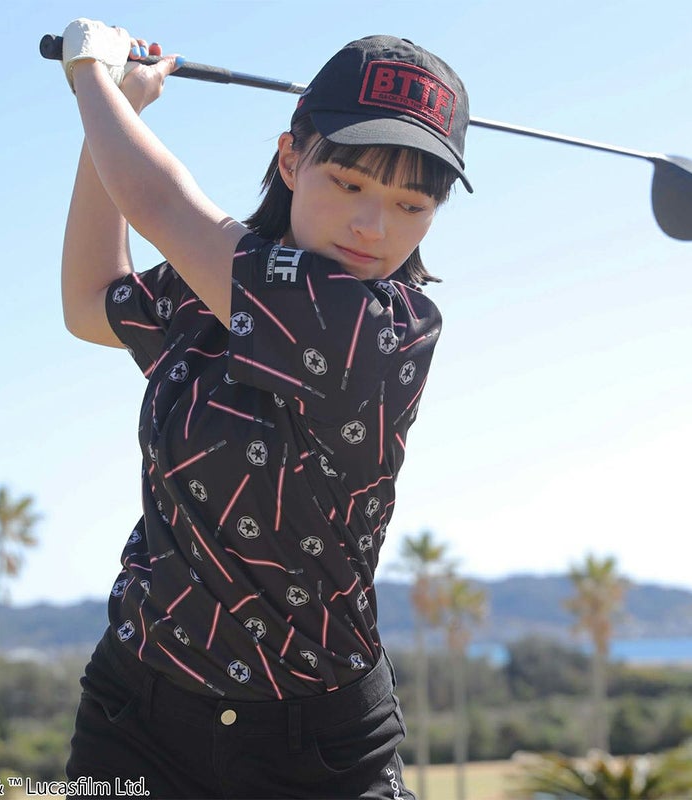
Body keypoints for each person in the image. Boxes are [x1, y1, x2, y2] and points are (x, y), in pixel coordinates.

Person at [59, 18, 471, 799]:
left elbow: (161, 203)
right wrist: (115, 111)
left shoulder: (382, 328)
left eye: (411, 204)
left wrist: (90, 78)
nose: (373, 225)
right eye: (348, 183)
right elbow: (89, 302)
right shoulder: (210, 287)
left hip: (315, 748)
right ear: (290, 158)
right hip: (137, 711)